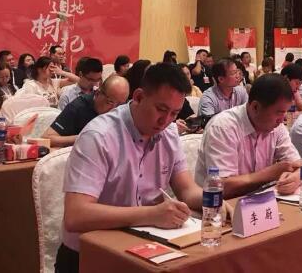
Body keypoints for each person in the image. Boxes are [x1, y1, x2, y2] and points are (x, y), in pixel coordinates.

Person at [57, 63, 203, 272]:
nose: (165, 121)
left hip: (144, 247)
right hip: (89, 256)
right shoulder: (99, 136)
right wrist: (151, 214)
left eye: (174, 113)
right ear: (139, 97)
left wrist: (212, 199)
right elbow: (76, 215)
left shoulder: (169, 134)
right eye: (161, 109)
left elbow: (187, 190)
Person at [194, 74, 301, 199]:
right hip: (218, 205)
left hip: (259, 200)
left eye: (285, 112)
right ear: (255, 107)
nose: (282, 119)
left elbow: (298, 164)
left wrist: (295, 178)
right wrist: (269, 174)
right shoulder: (223, 127)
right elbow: (222, 187)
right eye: (279, 113)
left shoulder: (277, 127)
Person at [44, 76, 130, 147]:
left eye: (120, 105)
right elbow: (47, 138)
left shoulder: (122, 111)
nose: (114, 109)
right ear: (98, 93)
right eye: (110, 102)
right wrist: (84, 137)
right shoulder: (77, 107)